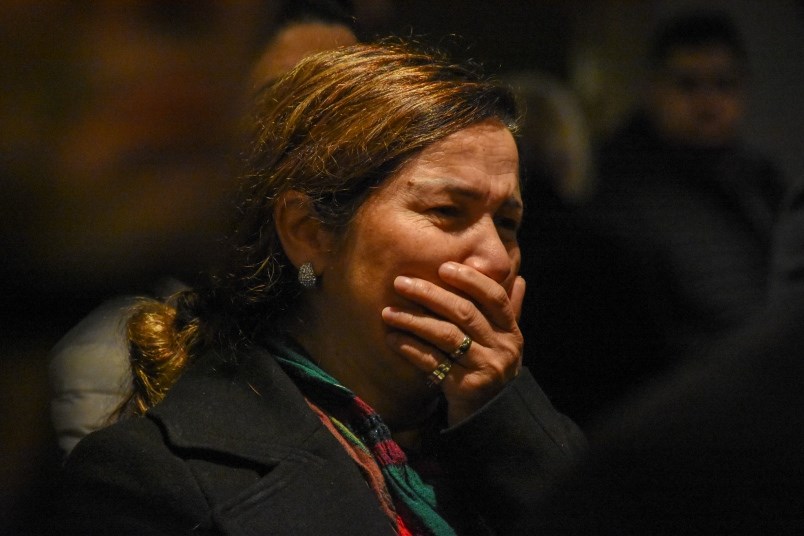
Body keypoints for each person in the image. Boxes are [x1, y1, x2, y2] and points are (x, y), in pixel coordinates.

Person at [55, 43, 586, 535]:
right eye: (448, 212)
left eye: (508, 222)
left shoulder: (523, 439)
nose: (496, 257)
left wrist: (501, 418)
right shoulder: (148, 476)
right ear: (308, 233)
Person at [47, 2, 359, 460]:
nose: (334, 133)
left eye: (354, 101)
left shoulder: (334, 295)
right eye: (287, 100)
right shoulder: (114, 356)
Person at [536, 11, 788, 425]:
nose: (708, 103)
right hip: (673, 417)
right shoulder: (610, 186)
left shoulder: (761, 182)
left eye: (724, 84)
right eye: (687, 85)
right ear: (653, 88)